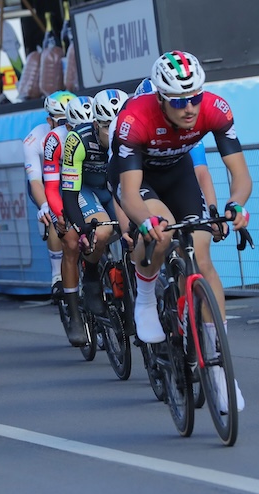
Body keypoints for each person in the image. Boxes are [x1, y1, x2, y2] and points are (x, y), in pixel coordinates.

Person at [112, 51, 251, 412]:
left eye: (194, 97)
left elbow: (240, 174)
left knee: (202, 256)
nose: (189, 108)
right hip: (137, 178)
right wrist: (145, 221)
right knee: (161, 234)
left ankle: (218, 367)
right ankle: (145, 298)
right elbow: (129, 195)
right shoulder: (135, 118)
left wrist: (235, 205)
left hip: (177, 173)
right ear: (160, 98)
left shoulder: (215, 108)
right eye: (178, 101)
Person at [61, 91, 127, 316]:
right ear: (96, 124)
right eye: (108, 126)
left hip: (112, 188)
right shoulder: (77, 139)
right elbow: (69, 193)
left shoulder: (131, 136)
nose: (116, 132)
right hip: (85, 189)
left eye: (120, 124)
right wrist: (82, 229)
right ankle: (91, 277)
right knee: (102, 231)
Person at [43, 94, 89, 346]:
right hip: (64, 189)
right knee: (70, 241)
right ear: (67, 125)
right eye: (76, 128)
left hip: (90, 187)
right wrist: (60, 215)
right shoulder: (55, 139)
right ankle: (74, 315)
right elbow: (51, 187)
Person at [23, 91, 74, 301]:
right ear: (49, 121)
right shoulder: (34, 139)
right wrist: (45, 205)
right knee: (55, 218)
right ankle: (57, 276)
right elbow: (35, 181)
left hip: (72, 178)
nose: (67, 126)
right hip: (46, 182)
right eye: (61, 121)